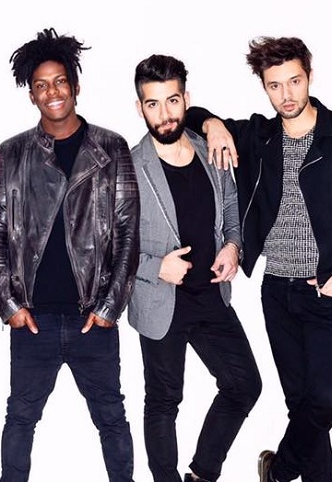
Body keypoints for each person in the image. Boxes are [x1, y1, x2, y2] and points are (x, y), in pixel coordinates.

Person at [186, 37, 332, 482]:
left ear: (310, 77)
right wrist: (214, 125)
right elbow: (186, 115)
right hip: (277, 291)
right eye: (275, 85)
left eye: (295, 81)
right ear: (264, 87)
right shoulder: (258, 137)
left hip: (328, 291)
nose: (287, 94)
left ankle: (278, 472)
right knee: (300, 404)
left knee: (327, 399)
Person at [0, 27, 139, 482]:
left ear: (75, 86)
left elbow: (128, 233)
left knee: (111, 417)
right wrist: (9, 305)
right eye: (41, 85)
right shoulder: (12, 153)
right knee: (20, 418)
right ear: (31, 94)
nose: (52, 92)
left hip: (92, 316)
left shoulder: (111, 148)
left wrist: (110, 307)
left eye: (59, 82)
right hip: (33, 320)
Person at [128, 54, 261, 482]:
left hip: (211, 294)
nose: (165, 114)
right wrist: (156, 267)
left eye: (172, 101)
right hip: (161, 301)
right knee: (164, 401)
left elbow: (231, 207)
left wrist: (234, 246)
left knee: (244, 385)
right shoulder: (129, 166)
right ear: (140, 108)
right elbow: (112, 247)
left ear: (186, 99)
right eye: (153, 104)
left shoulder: (210, 149)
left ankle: (202, 475)